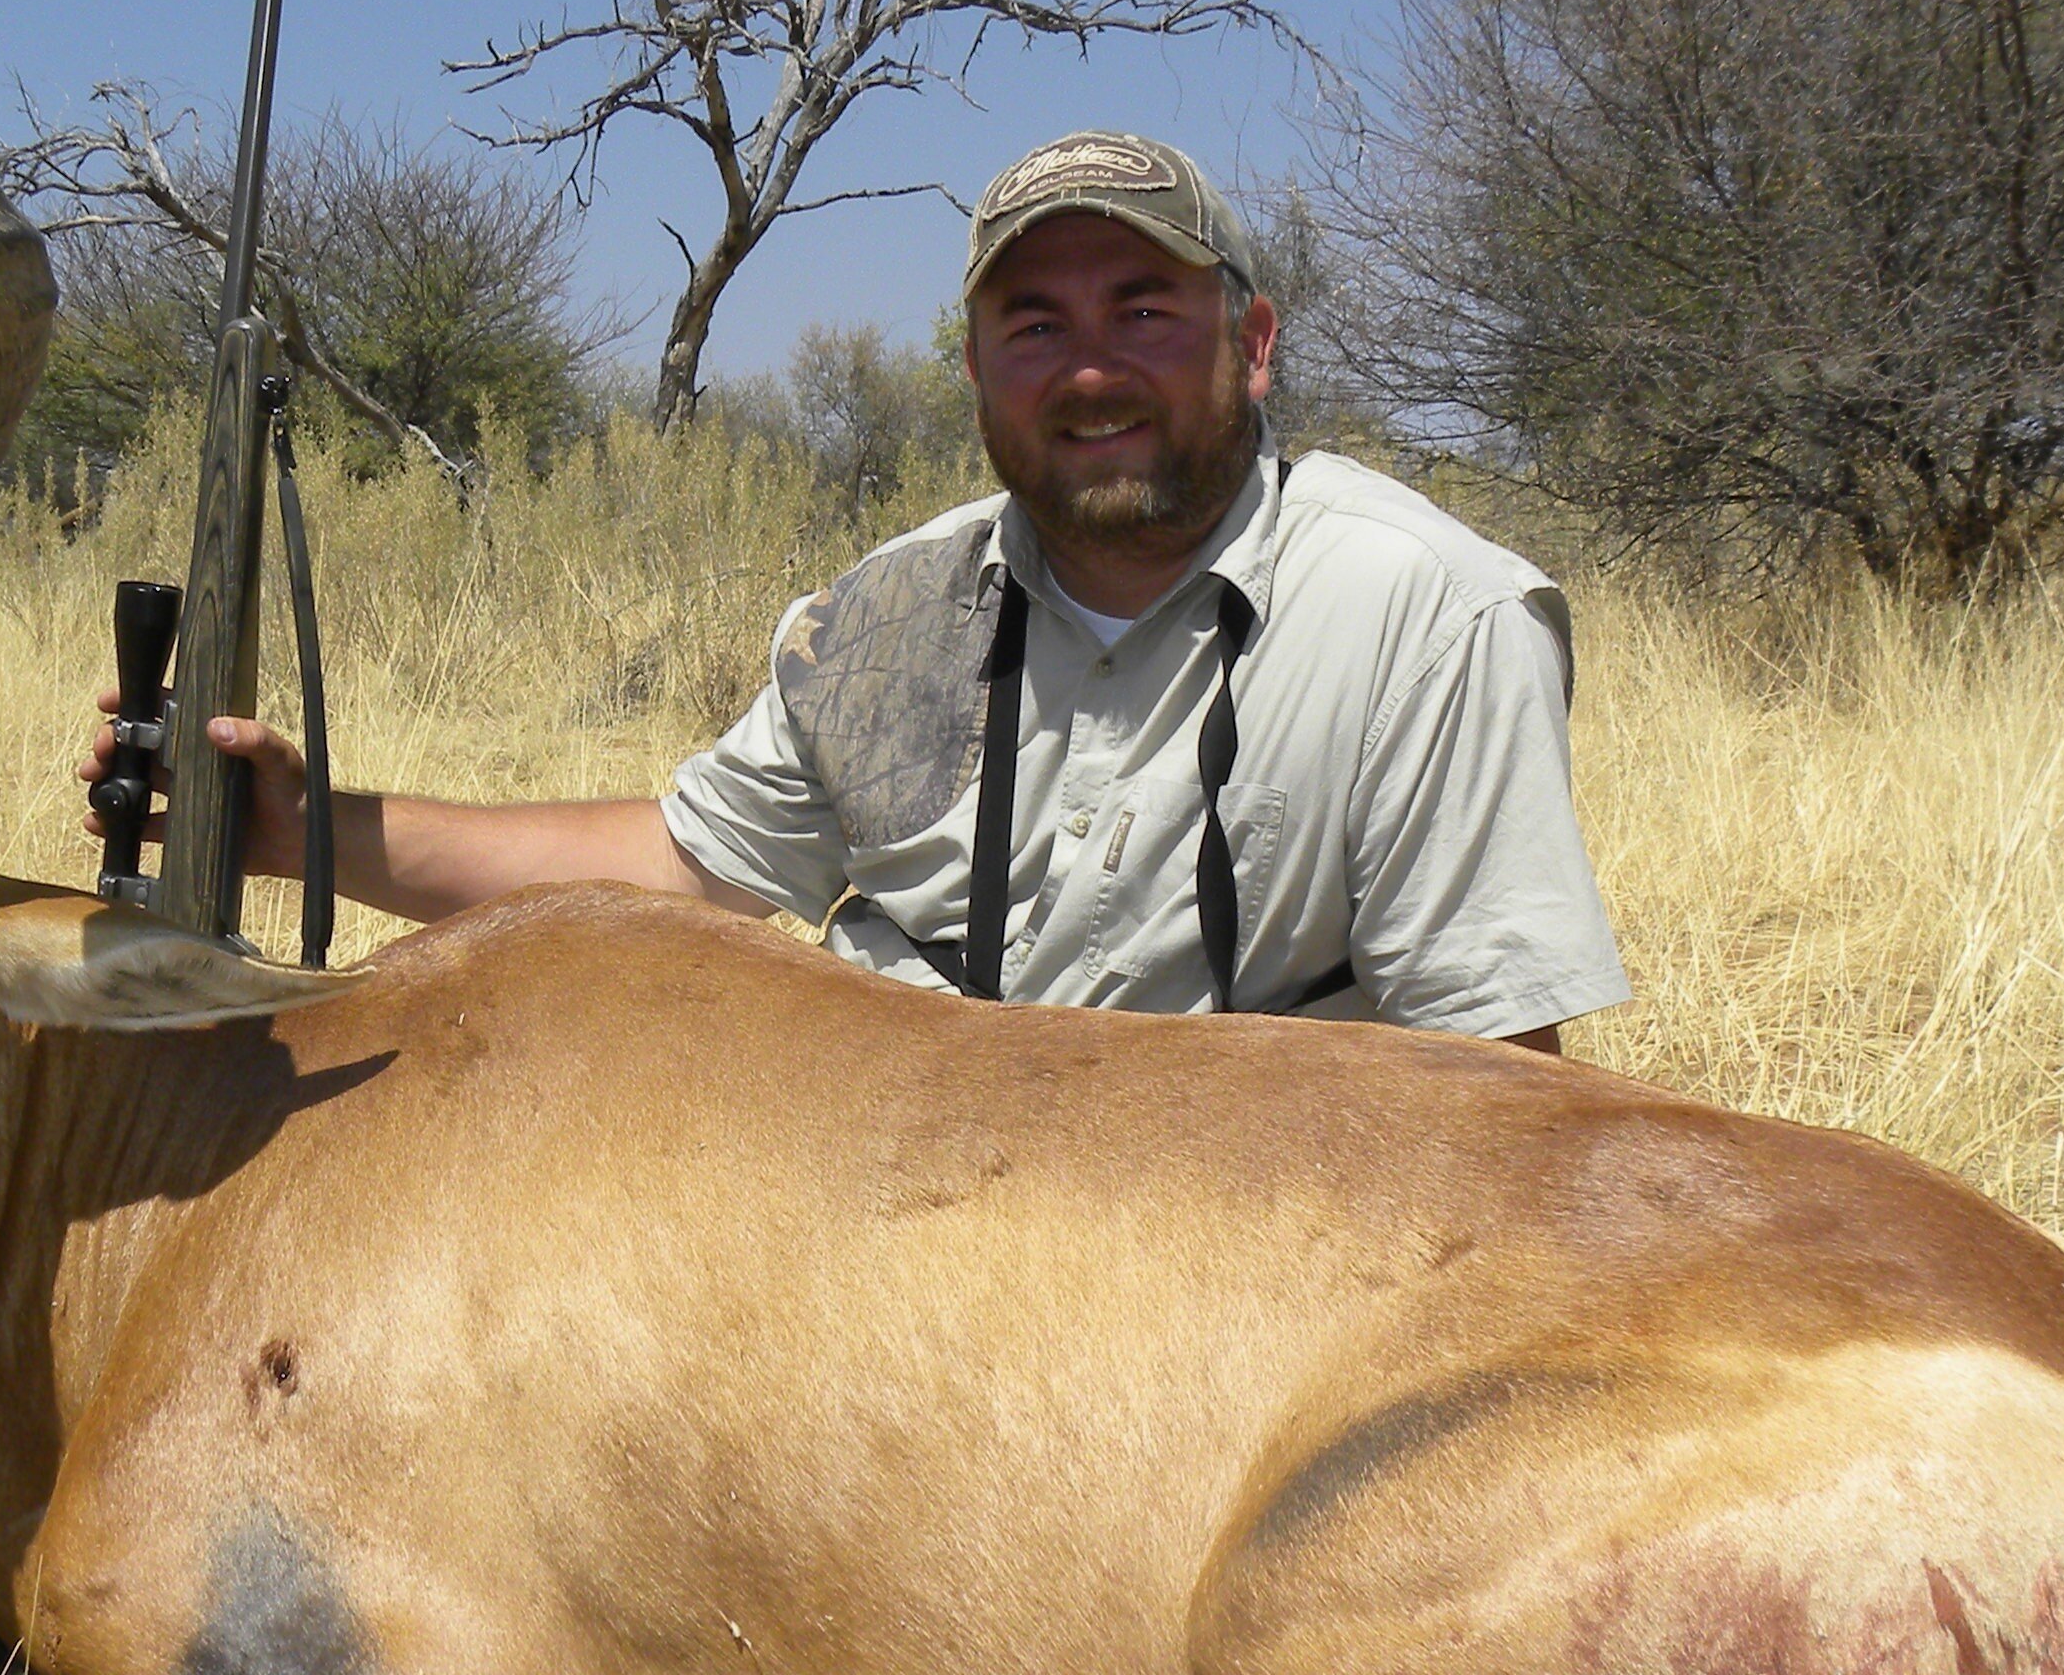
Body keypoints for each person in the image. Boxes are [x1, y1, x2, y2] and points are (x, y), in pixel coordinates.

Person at [88, 130, 1630, 1051]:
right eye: (1033, 326)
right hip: (877, 1236)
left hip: (1224, 1290)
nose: (1090, 367)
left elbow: (1493, 1098)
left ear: (1258, 341)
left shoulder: (1430, 614)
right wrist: (305, 831)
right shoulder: (891, 615)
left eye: (1145, 309)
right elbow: (694, 872)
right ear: (971, 369)